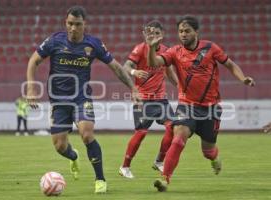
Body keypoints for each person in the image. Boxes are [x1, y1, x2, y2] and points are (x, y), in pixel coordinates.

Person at [26, 6, 140, 194]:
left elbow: (117, 67)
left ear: (84, 25)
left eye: (77, 24)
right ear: (66, 23)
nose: (73, 28)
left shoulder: (93, 44)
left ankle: (100, 179)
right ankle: (73, 156)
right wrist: (31, 87)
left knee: (86, 134)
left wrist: (133, 88)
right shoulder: (55, 41)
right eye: (70, 24)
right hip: (58, 102)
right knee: (60, 146)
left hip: (81, 98)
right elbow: (33, 61)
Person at [145, 15, 255, 192]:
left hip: (211, 108)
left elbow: (230, 64)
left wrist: (243, 79)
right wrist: (151, 48)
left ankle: (214, 158)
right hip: (187, 105)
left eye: (187, 31)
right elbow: (154, 62)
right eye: (180, 31)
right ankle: (165, 179)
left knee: (208, 151)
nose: (183, 34)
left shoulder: (211, 48)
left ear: (196, 31)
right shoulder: (174, 51)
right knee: (179, 136)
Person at [119, 20, 178, 179]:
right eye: (150, 34)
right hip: (143, 99)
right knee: (141, 133)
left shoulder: (166, 51)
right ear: (145, 35)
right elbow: (125, 67)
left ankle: (159, 161)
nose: (154, 36)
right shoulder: (139, 49)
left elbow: (170, 73)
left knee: (172, 128)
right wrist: (134, 72)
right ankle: (124, 167)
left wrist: (181, 88)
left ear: (162, 35)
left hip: (161, 99)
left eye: (157, 33)